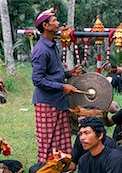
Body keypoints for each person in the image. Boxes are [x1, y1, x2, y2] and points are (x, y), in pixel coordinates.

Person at [31, 7, 81, 162]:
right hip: (47, 103)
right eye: (54, 21)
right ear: (45, 26)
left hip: (58, 101)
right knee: (47, 142)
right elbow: (37, 80)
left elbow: (52, 74)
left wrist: (68, 74)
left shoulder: (52, 45)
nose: (58, 23)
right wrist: (62, 86)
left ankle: (62, 167)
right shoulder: (41, 50)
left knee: (61, 138)